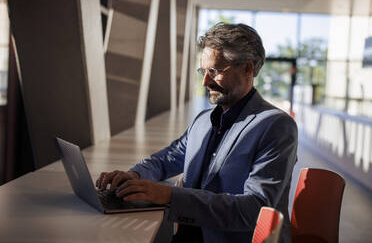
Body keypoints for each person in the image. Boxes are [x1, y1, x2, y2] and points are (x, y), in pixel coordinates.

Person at [96, 22, 298, 243]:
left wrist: (168, 195)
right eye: (203, 71)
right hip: (185, 234)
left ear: (248, 69)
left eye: (215, 71)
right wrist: (134, 176)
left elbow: (255, 210)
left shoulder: (276, 126)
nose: (205, 82)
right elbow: (168, 158)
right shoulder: (204, 120)